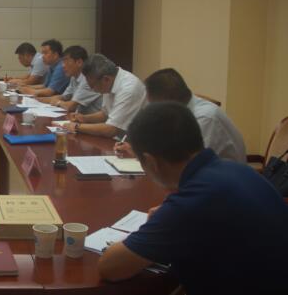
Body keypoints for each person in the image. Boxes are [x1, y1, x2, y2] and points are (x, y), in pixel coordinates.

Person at [98, 102, 288, 295]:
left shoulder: (190, 204)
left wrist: (158, 227)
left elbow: (110, 268)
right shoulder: (238, 170)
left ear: (150, 162)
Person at [114, 68, 246, 162]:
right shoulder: (179, 112)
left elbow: (190, 163)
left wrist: (146, 157)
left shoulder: (204, 118)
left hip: (224, 185)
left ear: (168, 100)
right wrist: (138, 152)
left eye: (153, 104)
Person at [64, 54, 145, 138]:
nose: (92, 89)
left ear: (106, 79)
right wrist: (84, 118)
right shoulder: (110, 80)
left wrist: (77, 126)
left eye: (93, 86)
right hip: (121, 139)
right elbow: (105, 114)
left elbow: (111, 129)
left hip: (137, 141)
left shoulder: (128, 89)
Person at [37, 45, 101, 114]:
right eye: (63, 62)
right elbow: (64, 97)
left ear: (79, 62)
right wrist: (40, 100)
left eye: (66, 61)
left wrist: (57, 102)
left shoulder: (87, 79)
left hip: (91, 118)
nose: (63, 66)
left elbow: (71, 106)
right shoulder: (74, 77)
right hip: (80, 116)